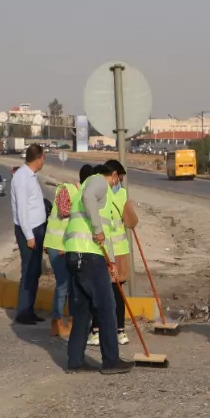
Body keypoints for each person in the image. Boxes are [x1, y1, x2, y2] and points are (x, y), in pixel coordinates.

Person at [63, 163, 134, 374]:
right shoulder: (98, 181)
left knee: (83, 310)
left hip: (75, 254)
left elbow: (107, 235)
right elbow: (91, 208)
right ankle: (111, 361)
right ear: (112, 175)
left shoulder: (84, 186)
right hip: (88, 255)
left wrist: (110, 262)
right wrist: (97, 229)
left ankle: (75, 361)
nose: (117, 183)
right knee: (106, 307)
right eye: (117, 179)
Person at [88, 160, 139, 347]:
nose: (120, 183)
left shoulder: (98, 193)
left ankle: (96, 331)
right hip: (119, 251)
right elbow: (132, 221)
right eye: (121, 179)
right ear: (115, 175)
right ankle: (120, 331)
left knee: (102, 292)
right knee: (117, 293)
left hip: (102, 249)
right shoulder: (121, 195)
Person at [42, 163, 93, 337]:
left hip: (69, 246)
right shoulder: (67, 190)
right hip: (57, 245)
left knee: (72, 285)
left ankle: (71, 322)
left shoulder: (82, 195)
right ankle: (56, 322)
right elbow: (64, 212)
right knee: (63, 285)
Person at [10, 144, 47, 325]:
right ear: (38, 158)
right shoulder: (22, 177)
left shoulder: (31, 176)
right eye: (44, 157)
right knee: (28, 271)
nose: (44, 161)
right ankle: (23, 312)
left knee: (35, 271)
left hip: (37, 228)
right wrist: (29, 236)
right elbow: (22, 211)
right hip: (29, 231)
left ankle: (29, 309)